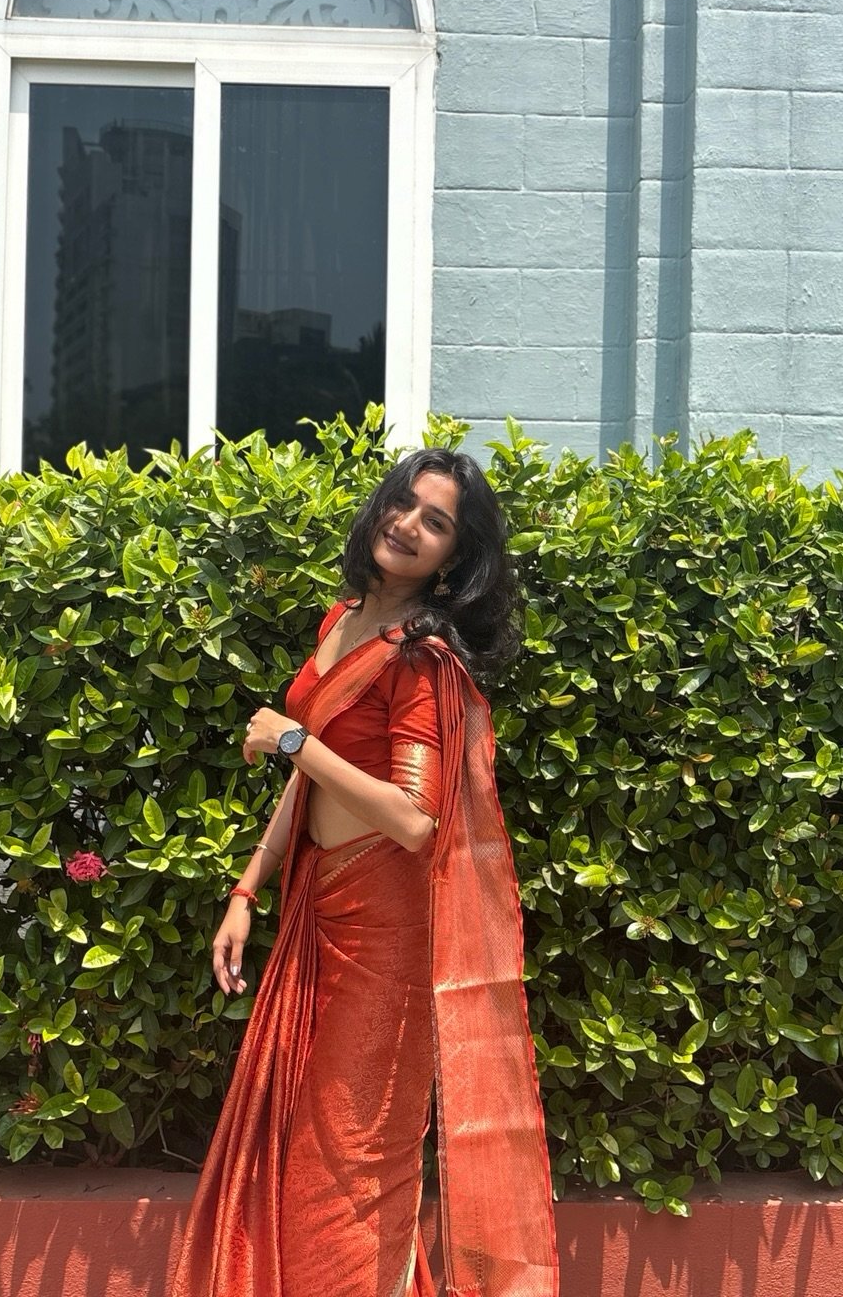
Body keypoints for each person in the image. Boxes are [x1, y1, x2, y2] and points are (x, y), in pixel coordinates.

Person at [169, 448, 559, 1297]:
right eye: (404, 505)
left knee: (347, 1167)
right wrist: (247, 890)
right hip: (317, 908)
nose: (409, 525)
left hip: (385, 936)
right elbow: (310, 782)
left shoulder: (421, 658)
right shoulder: (341, 617)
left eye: (437, 522)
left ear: (456, 557)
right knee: (293, 1147)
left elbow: (415, 821)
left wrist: (291, 739)